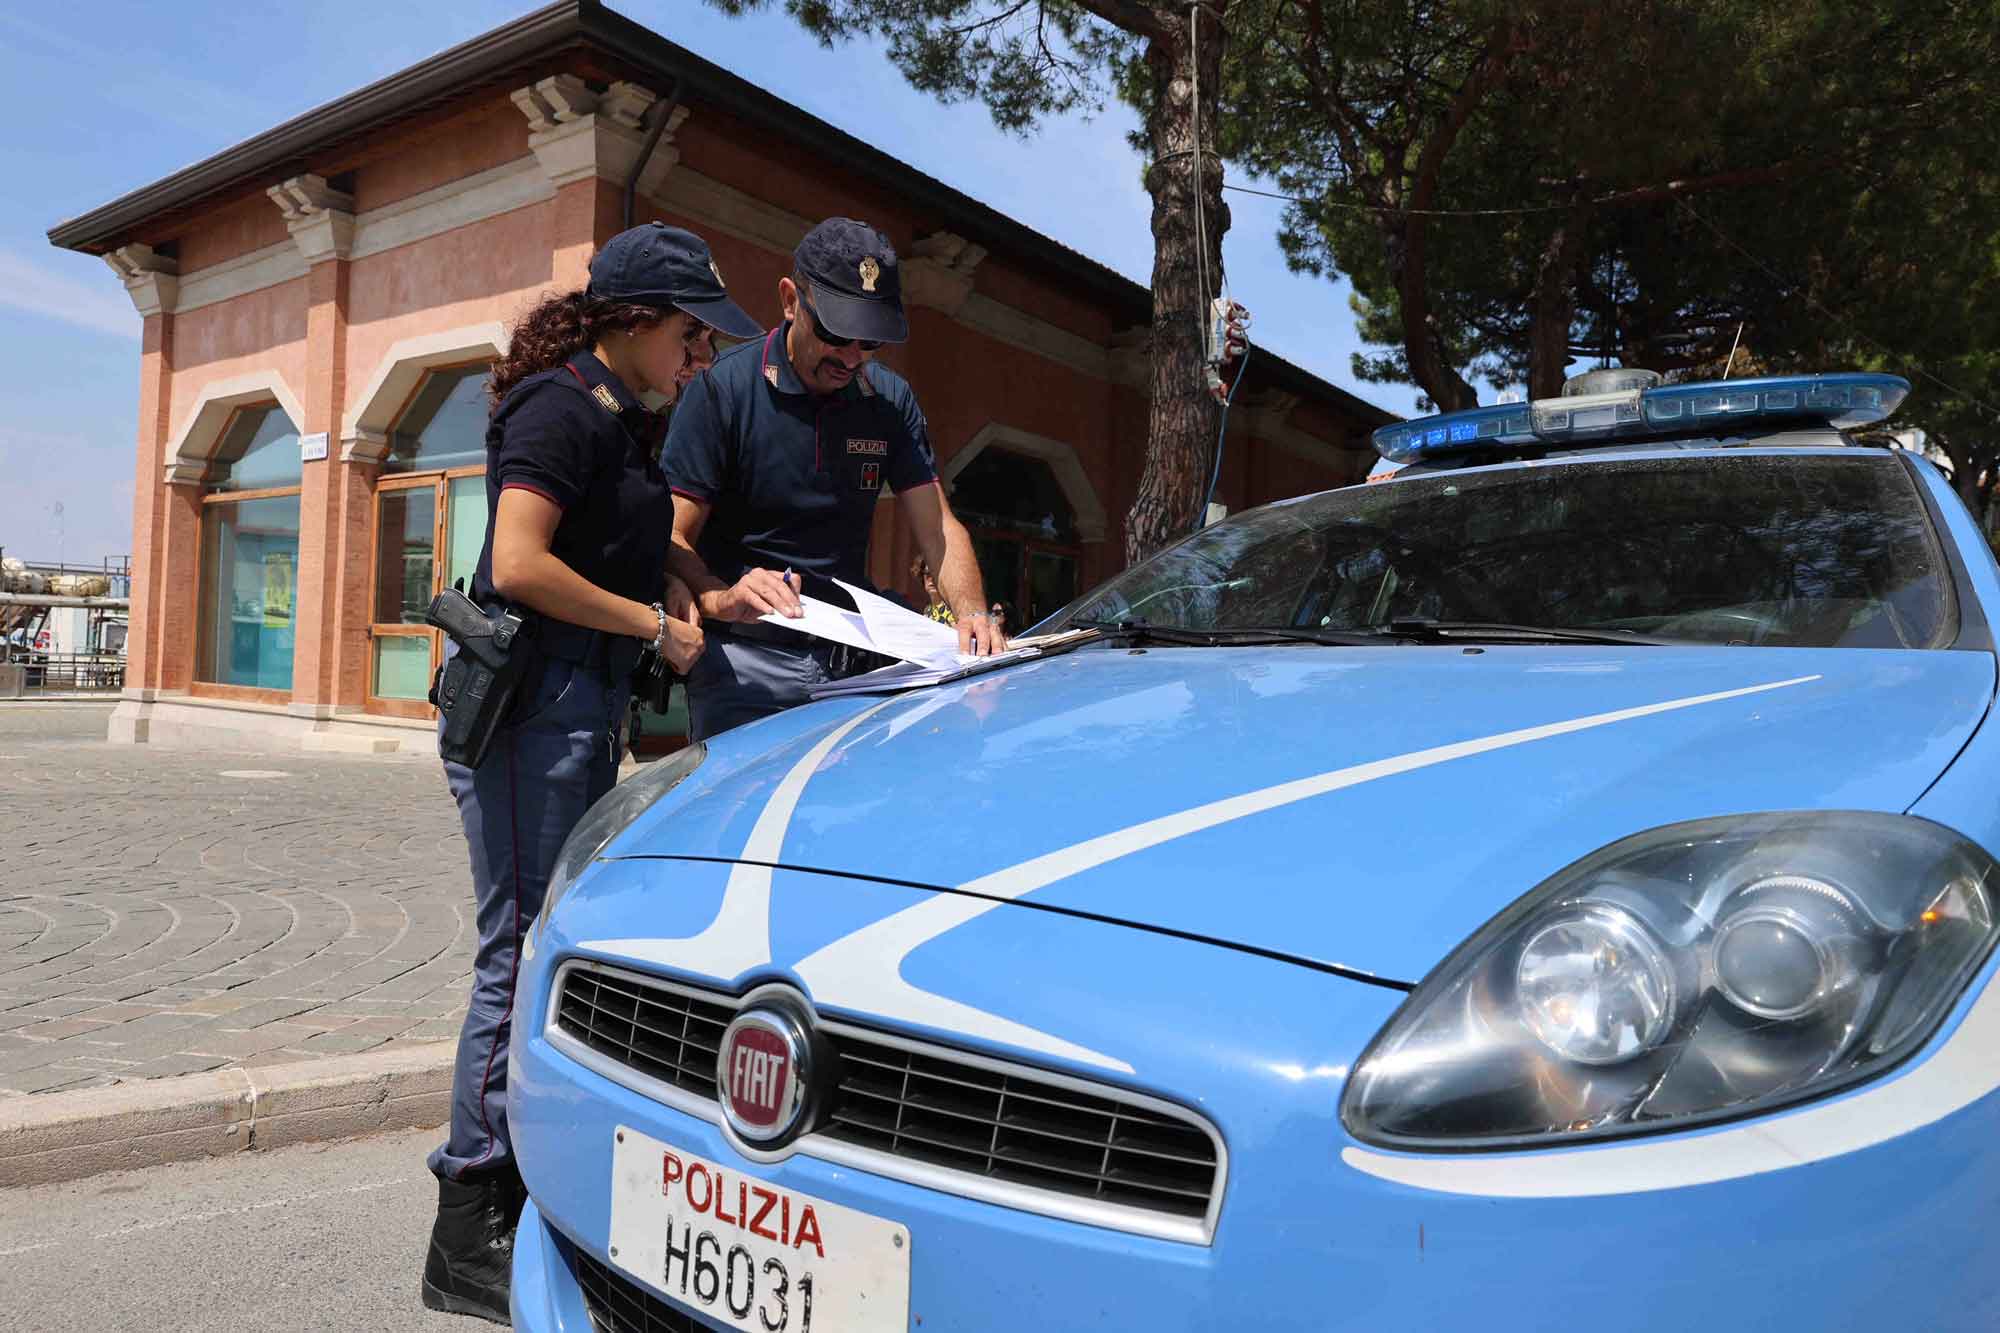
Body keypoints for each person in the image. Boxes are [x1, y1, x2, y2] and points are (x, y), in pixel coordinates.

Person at [421, 222, 762, 1325]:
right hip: (531, 715)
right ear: (629, 320)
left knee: (545, 941)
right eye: (687, 334)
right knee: (516, 948)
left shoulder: (621, 419)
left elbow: (640, 532)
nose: (696, 357)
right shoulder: (558, 408)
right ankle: (467, 1217)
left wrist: (708, 590)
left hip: (578, 710)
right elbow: (518, 560)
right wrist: (649, 625)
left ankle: (516, 1176)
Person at [663, 217, 1005, 740]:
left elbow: (936, 526)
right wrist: (719, 594)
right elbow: (671, 534)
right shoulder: (721, 390)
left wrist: (974, 616)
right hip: (745, 662)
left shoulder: (888, 400)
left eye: (870, 342)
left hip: (852, 663)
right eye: (836, 333)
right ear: (789, 300)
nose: (851, 357)